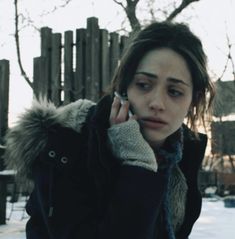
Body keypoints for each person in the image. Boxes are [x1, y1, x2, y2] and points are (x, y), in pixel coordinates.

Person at [4, 21, 215, 239]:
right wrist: (138, 164)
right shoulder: (69, 142)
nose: (157, 103)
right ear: (123, 88)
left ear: (194, 100)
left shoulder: (181, 154)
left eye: (174, 91)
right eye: (143, 84)